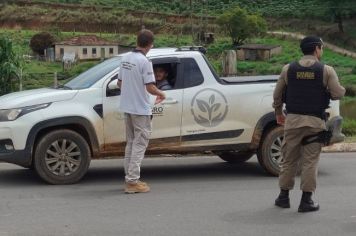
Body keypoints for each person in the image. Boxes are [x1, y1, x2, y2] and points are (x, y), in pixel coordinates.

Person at [273, 36, 345, 212]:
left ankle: (283, 197)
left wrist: (277, 113)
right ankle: (306, 201)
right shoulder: (326, 70)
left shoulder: (288, 69)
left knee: (288, 159)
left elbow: (277, 95)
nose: (322, 51)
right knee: (310, 161)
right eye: (321, 48)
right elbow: (337, 94)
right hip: (314, 123)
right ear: (317, 49)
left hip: (293, 122)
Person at [117, 29, 166, 194]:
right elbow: (150, 87)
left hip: (127, 108)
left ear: (137, 41)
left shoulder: (125, 59)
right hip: (140, 109)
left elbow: (120, 84)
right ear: (150, 45)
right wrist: (161, 93)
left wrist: (132, 90)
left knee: (131, 143)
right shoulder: (145, 62)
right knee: (140, 144)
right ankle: (132, 182)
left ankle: (129, 178)